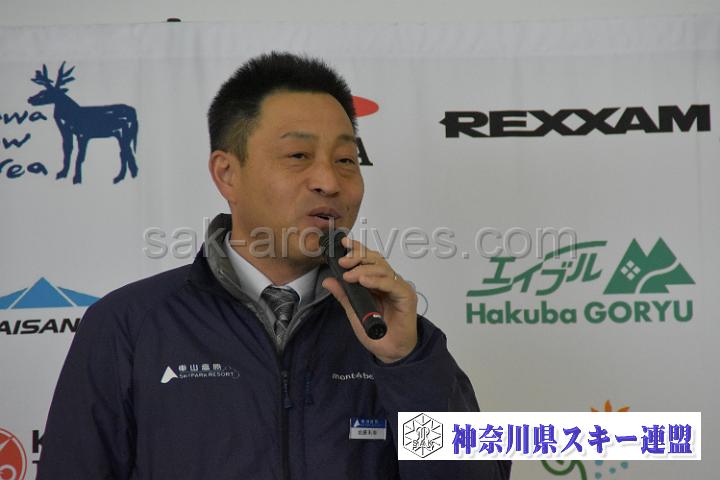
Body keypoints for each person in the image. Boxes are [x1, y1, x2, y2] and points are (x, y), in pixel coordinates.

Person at [37, 51, 511, 479]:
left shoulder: (395, 331)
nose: (329, 181)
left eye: (347, 159)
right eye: (298, 155)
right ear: (227, 173)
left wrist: (406, 365)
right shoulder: (128, 325)